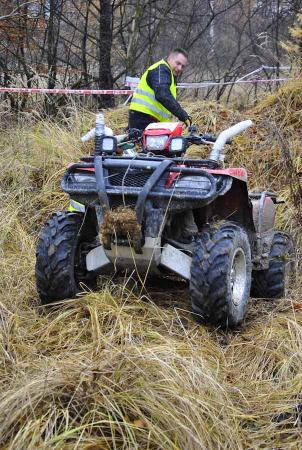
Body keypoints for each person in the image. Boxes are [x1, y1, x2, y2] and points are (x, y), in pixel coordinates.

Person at [128, 48, 191, 131]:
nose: (180, 68)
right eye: (178, 63)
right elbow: (163, 95)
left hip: (150, 121)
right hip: (144, 120)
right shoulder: (161, 70)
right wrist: (183, 115)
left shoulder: (167, 74)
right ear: (170, 58)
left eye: (183, 66)